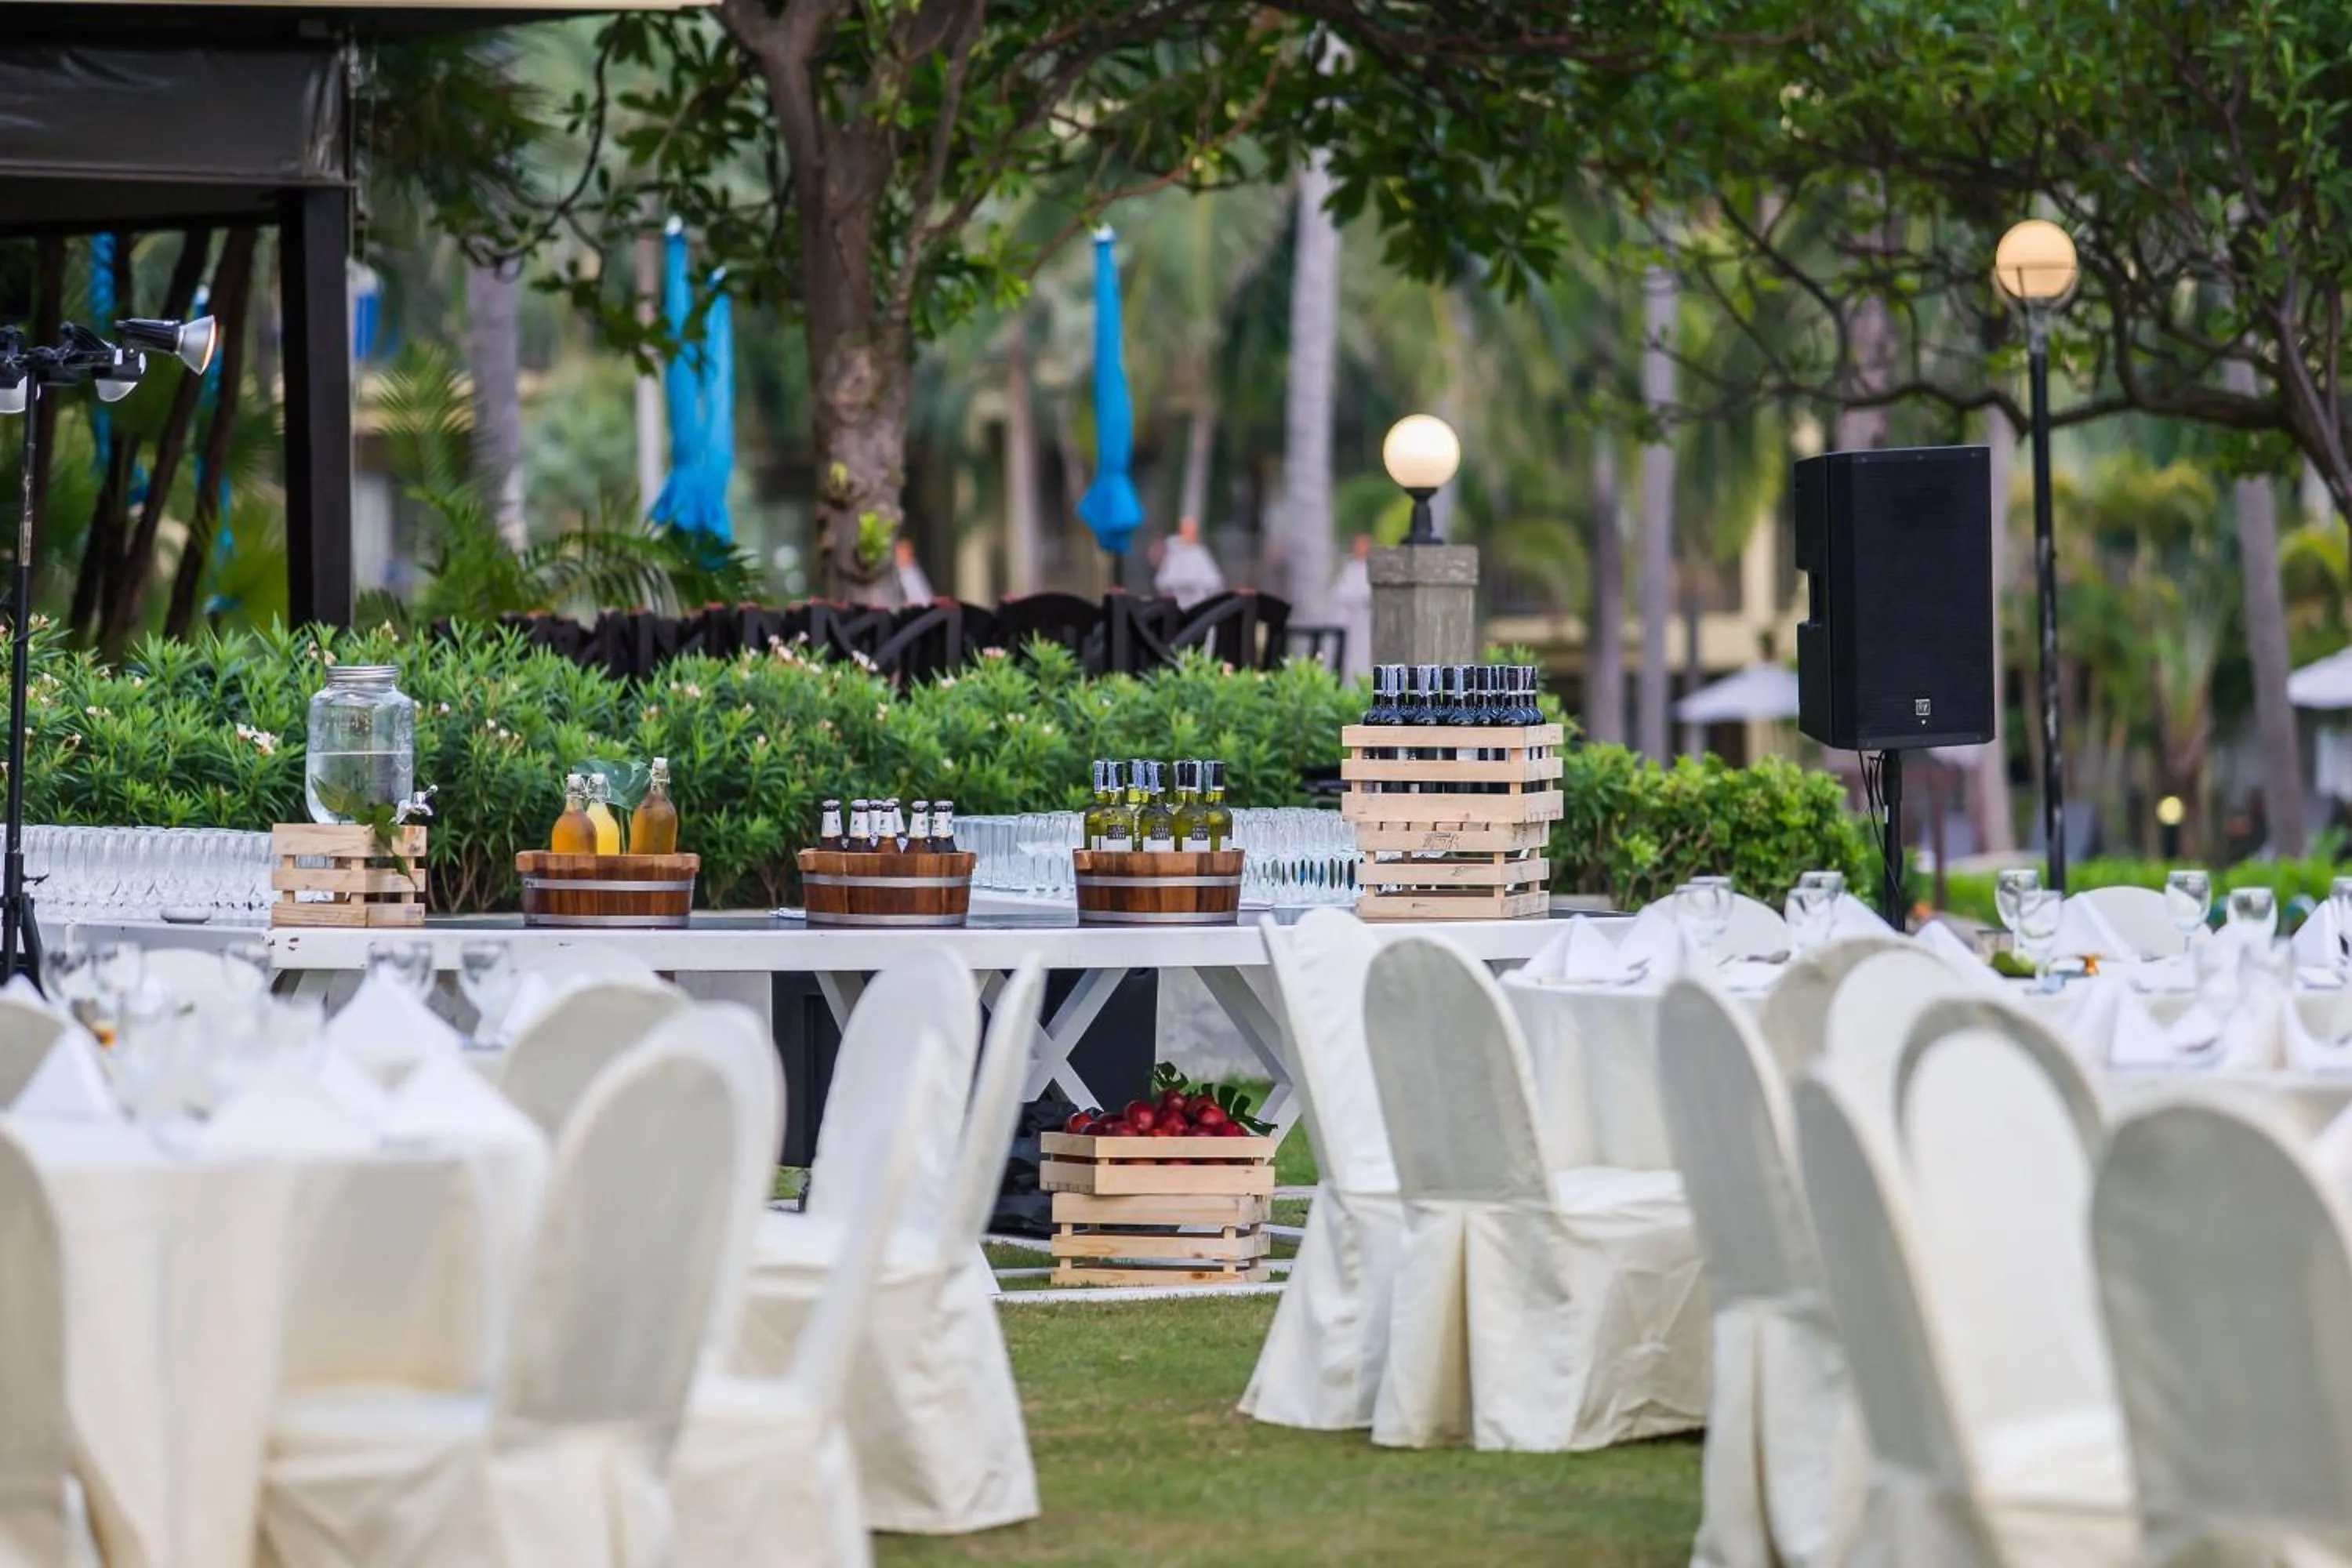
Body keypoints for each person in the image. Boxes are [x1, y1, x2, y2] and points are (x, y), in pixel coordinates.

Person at [1152, 515, 1226, 608]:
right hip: (1177, 604)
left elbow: (1214, 582)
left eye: (1192, 530)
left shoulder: (1201, 553)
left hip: (1198, 603)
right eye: (1186, 529)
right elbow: (1163, 582)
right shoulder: (1174, 554)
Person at [1331, 532, 1373, 679]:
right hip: (1353, 624)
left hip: (1369, 624)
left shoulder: (1374, 568)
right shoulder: (1350, 569)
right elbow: (1341, 593)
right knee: (1353, 659)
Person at [893, 535, 935, 604]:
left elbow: (924, 600)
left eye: (903, 553)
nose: (900, 556)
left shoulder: (912, 573)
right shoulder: (896, 573)